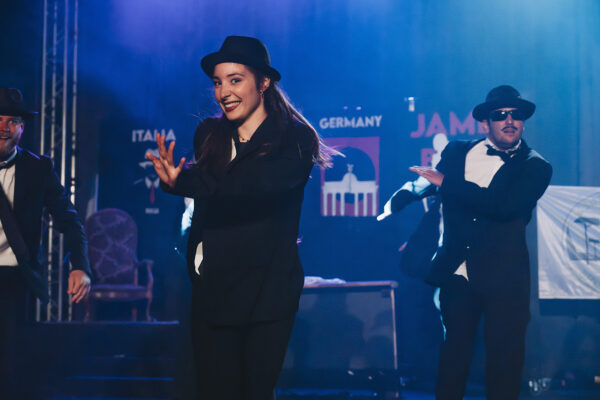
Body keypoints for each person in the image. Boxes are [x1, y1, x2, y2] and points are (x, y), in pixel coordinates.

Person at [147, 36, 332, 400]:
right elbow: (212, 191)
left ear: (263, 83)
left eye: (235, 80)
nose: (224, 92)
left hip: (268, 291)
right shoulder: (209, 134)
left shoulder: (295, 138)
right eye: (218, 82)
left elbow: (255, 186)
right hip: (214, 287)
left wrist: (183, 180)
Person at [409, 85, 552, 400]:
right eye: (500, 115)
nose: (509, 121)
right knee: (453, 359)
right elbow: (440, 206)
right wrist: (418, 241)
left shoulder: (536, 166)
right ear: (485, 122)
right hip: (458, 271)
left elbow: (503, 206)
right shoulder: (457, 151)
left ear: (523, 121)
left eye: (516, 115)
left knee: (504, 362)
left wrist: (448, 182)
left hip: (506, 277)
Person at [0, 87, 92, 396]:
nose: (3, 127)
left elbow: (70, 219)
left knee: (11, 369)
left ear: (21, 128)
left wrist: (80, 266)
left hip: (14, 280)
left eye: (11, 120)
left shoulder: (39, 168)